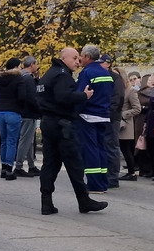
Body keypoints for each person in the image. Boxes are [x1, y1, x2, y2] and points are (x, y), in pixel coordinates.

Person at [37, 47, 107, 215]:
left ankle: (46, 203)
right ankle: (84, 201)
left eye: (78, 58)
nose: (78, 61)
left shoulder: (49, 74)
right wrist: (84, 96)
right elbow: (64, 97)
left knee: (50, 164)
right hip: (63, 126)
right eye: (74, 58)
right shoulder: (62, 75)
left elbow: (39, 97)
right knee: (74, 164)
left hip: (48, 123)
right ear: (64, 58)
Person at [75, 45, 114, 194]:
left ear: (87, 57)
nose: (80, 58)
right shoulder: (106, 73)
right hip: (103, 115)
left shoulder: (87, 72)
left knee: (90, 149)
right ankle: (103, 182)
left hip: (88, 116)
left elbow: (81, 95)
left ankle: (94, 184)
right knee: (101, 149)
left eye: (81, 55)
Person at [0, 58, 24, 181]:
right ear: (16, 66)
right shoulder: (18, 79)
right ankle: (9, 169)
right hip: (13, 111)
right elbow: (22, 97)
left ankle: (3, 167)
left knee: (4, 141)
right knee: (12, 141)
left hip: (0, 112)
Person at [100, 53, 126, 189]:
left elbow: (118, 99)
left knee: (111, 146)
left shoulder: (115, 79)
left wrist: (108, 114)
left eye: (101, 63)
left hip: (111, 118)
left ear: (108, 64)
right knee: (104, 146)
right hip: (102, 117)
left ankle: (112, 177)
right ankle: (105, 175)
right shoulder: (102, 77)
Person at [16, 56, 41, 176]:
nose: (37, 66)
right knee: (25, 140)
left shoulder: (19, 75)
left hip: (20, 112)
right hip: (29, 113)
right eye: (36, 64)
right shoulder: (28, 78)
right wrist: (39, 110)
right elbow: (32, 97)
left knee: (29, 140)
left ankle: (31, 165)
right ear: (32, 64)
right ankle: (19, 166)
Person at [118, 71, 143, 179]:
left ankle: (131, 172)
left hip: (126, 123)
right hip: (119, 122)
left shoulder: (131, 91)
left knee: (126, 149)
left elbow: (137, 109)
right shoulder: (119, 90)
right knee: (124, 149)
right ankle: (130, 171)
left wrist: (123, 115)